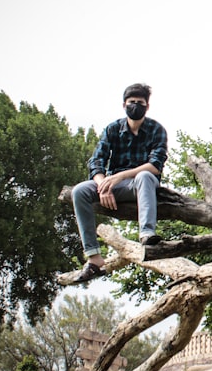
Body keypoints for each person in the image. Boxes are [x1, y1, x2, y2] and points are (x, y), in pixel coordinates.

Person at [71, 83, 168, 283]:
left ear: (147, 106)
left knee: (144, 176)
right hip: (112, 184)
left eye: (140, 102)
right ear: (124, 105)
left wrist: (120, 176)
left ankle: (147, 235)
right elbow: (96, 161)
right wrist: (102, 185)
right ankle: (94, 258)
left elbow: (155, 165)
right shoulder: (113, 129)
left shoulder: (156, 129)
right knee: (79, 190)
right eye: (132, 102)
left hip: (142, 185)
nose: (135, 106)